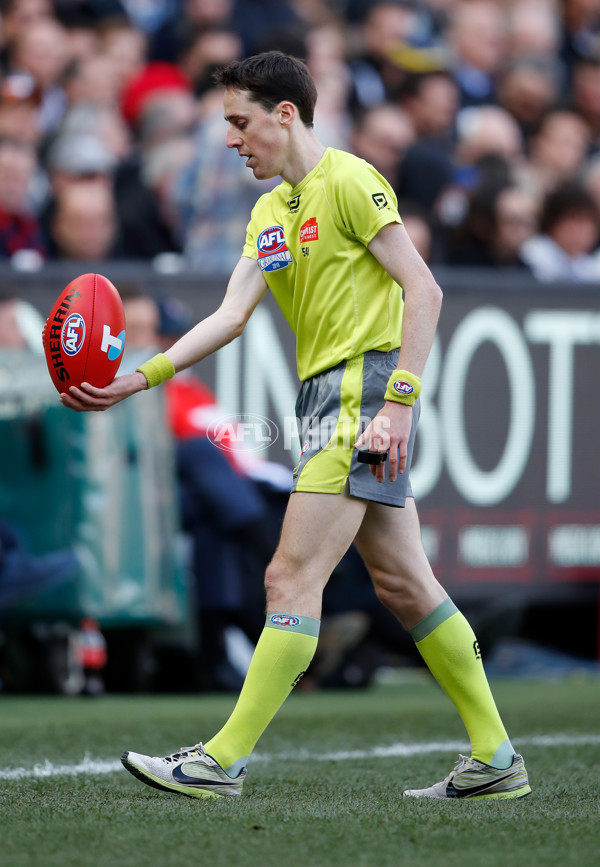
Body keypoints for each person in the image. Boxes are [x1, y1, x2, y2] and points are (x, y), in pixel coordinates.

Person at [60, 51, 531, 802]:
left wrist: (398, 404)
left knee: (289, 575)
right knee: (406, 584)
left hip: (363, 396)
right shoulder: (269, 211)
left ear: (286, 114)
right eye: (226, 125)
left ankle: (222, 760)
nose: (232, 139)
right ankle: (497, 756)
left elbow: (426, 289)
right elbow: (227, 316)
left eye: (241, 122)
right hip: (327, 400)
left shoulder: (349, 179)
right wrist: (137, 378)